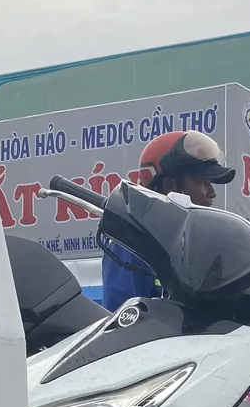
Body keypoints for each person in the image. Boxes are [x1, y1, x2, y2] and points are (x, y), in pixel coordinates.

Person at [101, 131, 236, 312]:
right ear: (170, 186)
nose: (212, 193)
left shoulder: (194, 244)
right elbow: (122, 320)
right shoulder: (132, 242)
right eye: (201, 182)